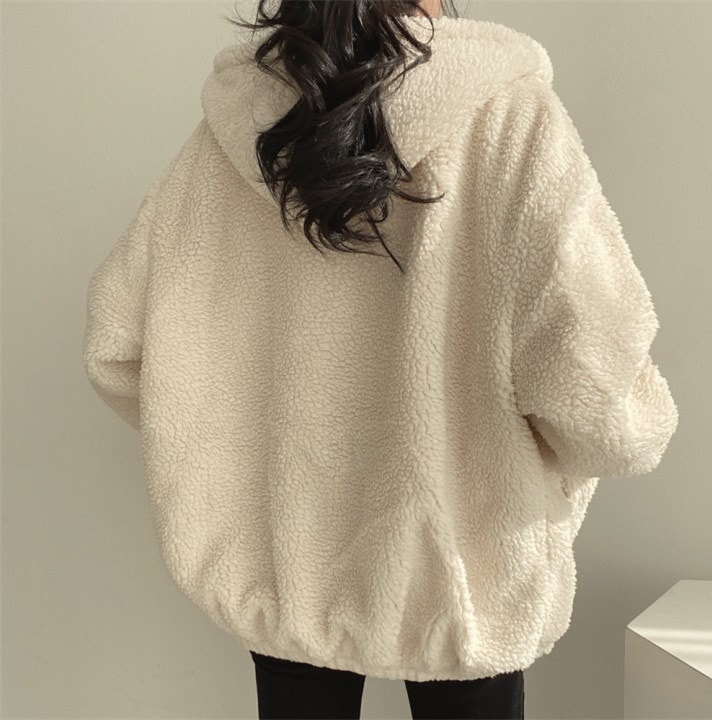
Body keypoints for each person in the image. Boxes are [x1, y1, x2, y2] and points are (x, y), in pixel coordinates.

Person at [82, 0, 679, 718]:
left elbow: (120, 346)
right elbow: (596, 382)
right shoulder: (508, 116)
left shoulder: (241, 126)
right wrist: (605, 442)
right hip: (462, 570)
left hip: (286, 566)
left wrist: (230, 459)